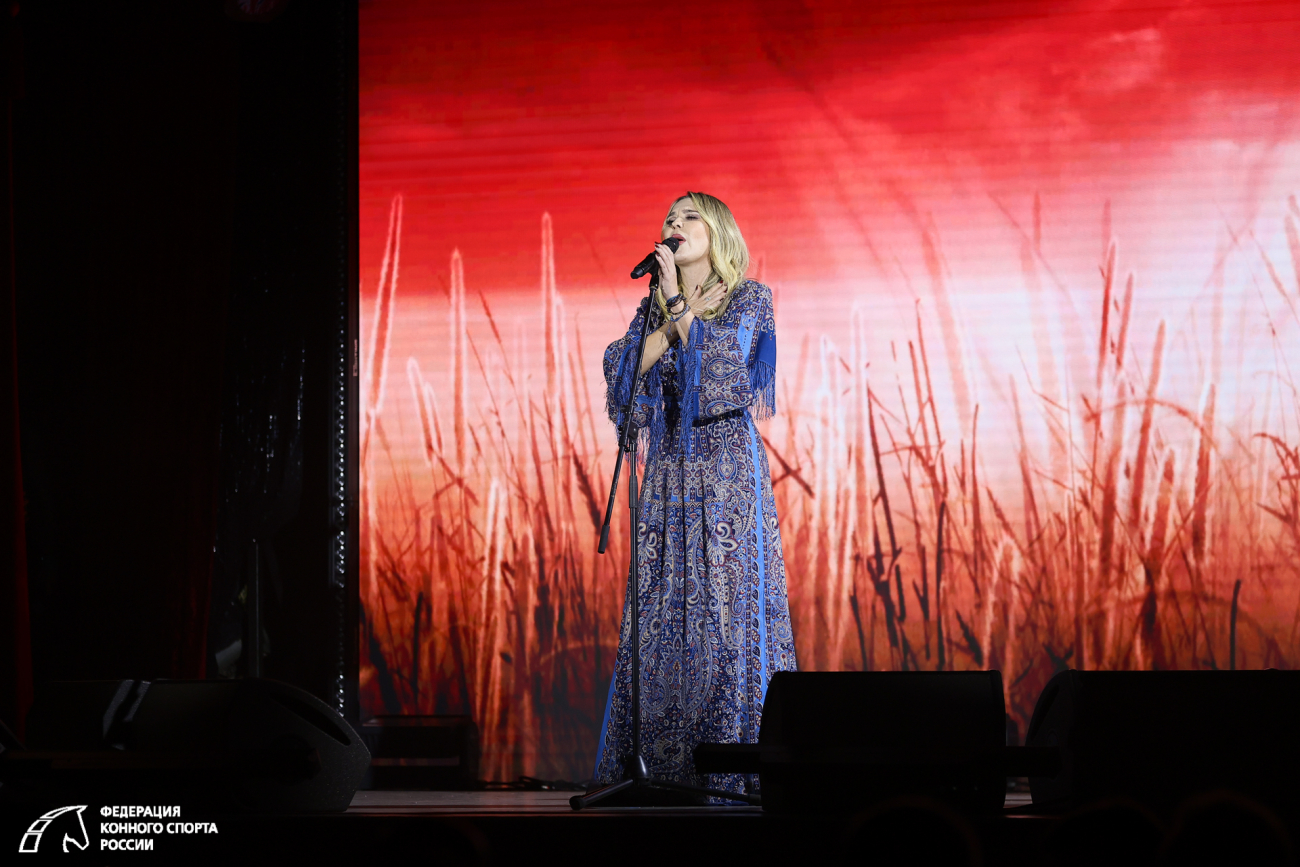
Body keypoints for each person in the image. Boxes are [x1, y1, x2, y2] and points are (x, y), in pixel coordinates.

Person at [593, 192, 797, 796]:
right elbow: (622, 372)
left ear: (718, 233)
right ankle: (661, 771)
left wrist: (681, 311)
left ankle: (733, 772)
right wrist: (668, 317)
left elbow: (725, 379)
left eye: (688, 217)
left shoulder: (749, 297)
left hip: (727, 472)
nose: (673, 225)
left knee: (727, 614)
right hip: (668, 475)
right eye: (668, 218)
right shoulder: (651, 306)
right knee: (661, 615)